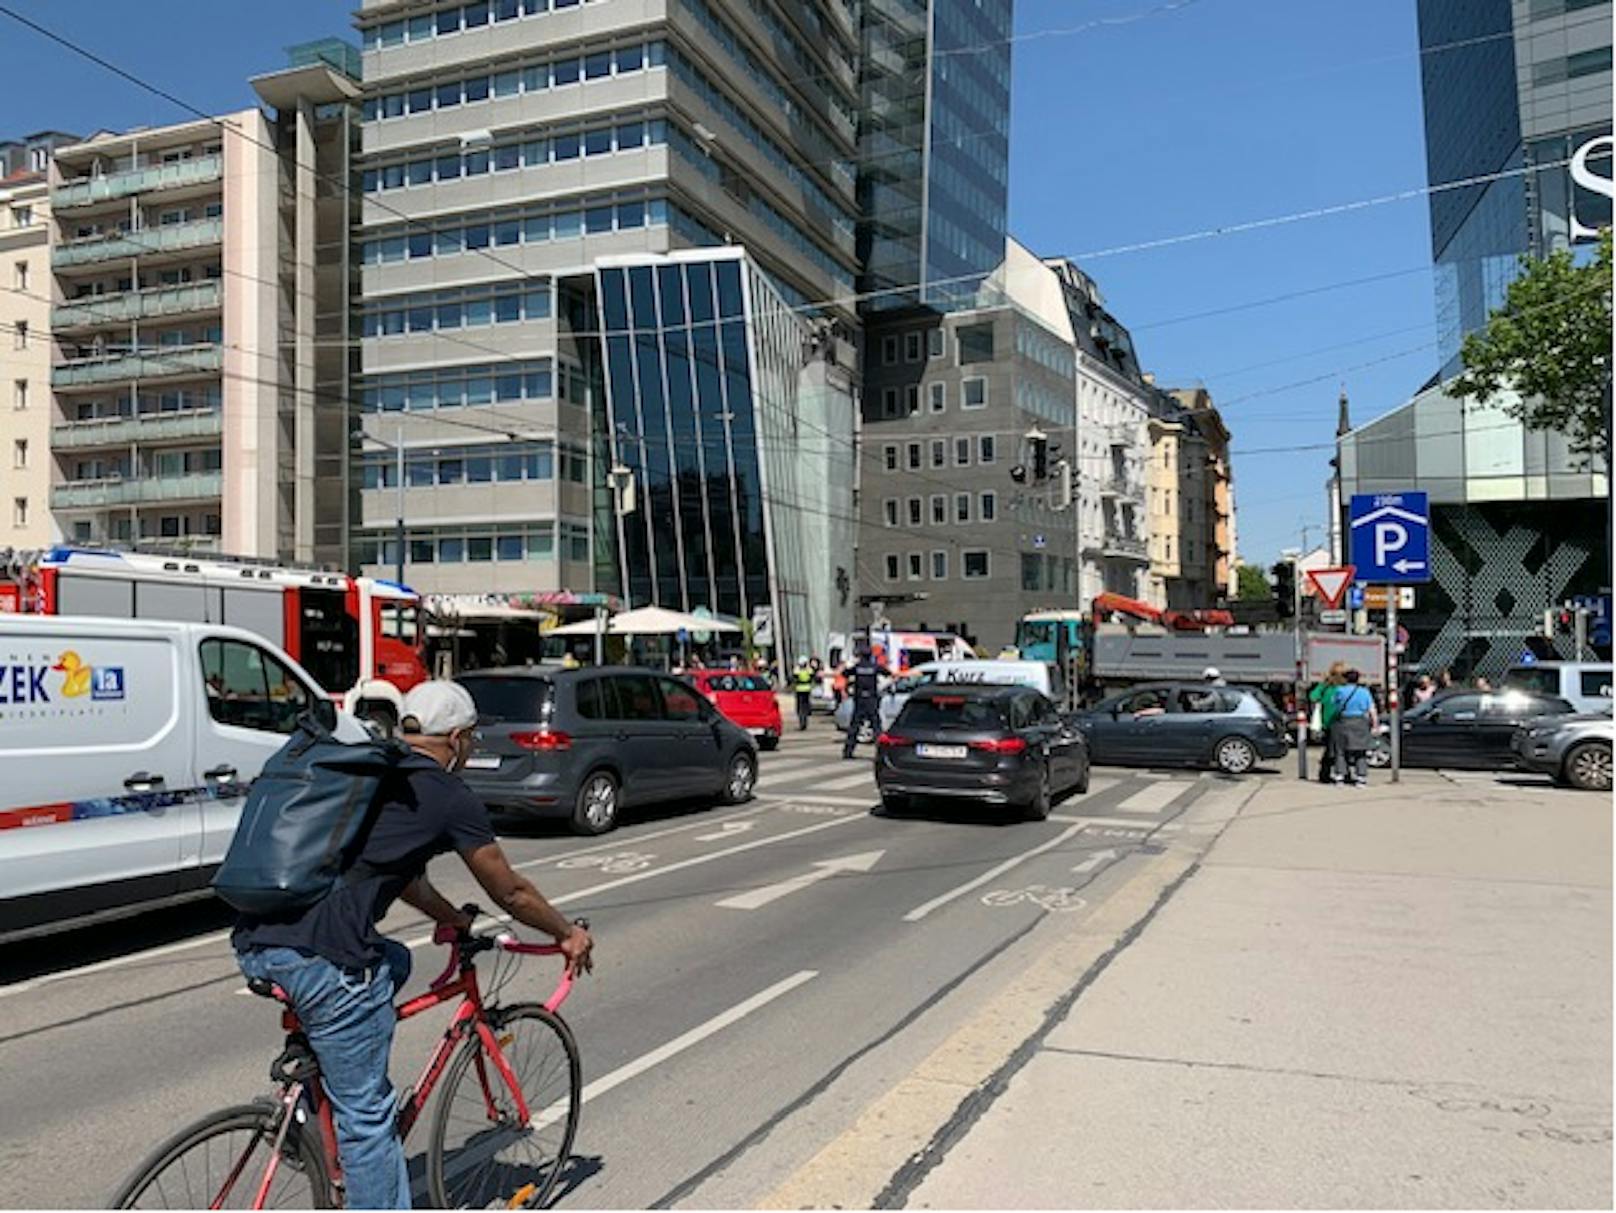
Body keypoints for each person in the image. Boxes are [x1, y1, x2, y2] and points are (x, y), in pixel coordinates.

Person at [233, 682, 594, 1210]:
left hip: (257, 939)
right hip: (323, 961)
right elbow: (509, 889)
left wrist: (453, 920)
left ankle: (312, 1103)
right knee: (369, 1119)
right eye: (471, 740)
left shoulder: (375, 770)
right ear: (460, 738)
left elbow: (403, 877)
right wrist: (566, 933)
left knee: (394, 960)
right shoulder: (449, 795)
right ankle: (328, 1120)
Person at [1328, 669, 1378, 787]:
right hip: (1360, 722)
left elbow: (1333, 704)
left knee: (1340, 751)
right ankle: (1361, 778)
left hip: (1343, 722)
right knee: (1360, 751)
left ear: (1346, 679)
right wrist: (1375, 724)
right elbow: (1372, 709)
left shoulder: (1339, 691)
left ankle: (1340, 777)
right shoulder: (1365, 692)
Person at [1308, 661, 1348, 783]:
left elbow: (1313, 697)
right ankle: (1343, 773)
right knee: (1342, 750)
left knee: (1329, 749)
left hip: (1327, 722)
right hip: (1342, 721)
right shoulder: (1345, 687)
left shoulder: (1325, 686)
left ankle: (1324, 774)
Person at [843, 647, 882, 759]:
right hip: (871, 700)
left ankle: (848, 751)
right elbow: (888, 673)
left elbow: (845, 673)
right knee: (876, 727)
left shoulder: (857, 667)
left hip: (859, 700)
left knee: (854, 726)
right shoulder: (874, 667)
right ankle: (880, 753)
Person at [791, 656, 814, 730]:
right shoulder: (809, 670)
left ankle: (802, 723)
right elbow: (812, 677)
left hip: (799, 690)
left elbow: (793, 678)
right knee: (805, 707)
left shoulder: (797, 670)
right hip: (807, 690)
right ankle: (805, 722)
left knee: (800, 708)